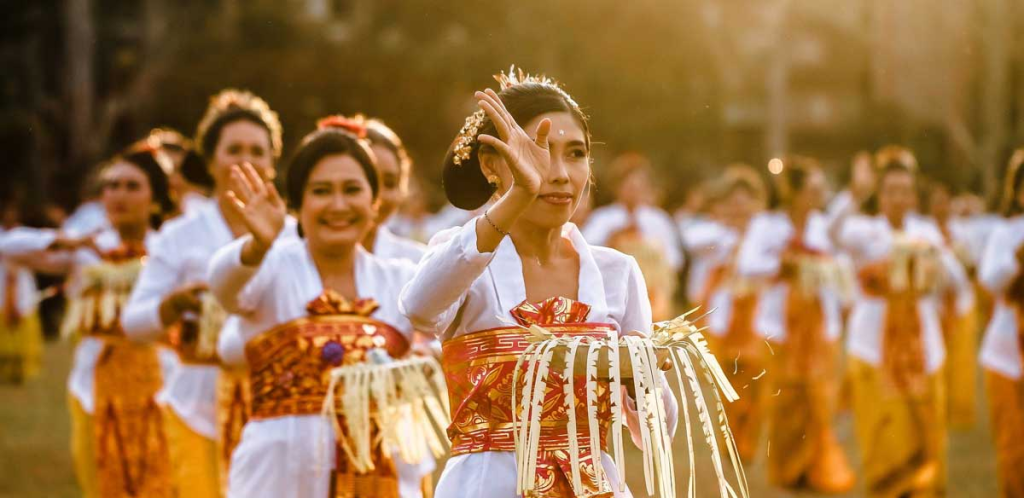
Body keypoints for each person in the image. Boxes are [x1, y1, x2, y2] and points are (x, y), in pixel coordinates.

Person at [400, 68, 678, 498]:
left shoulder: (616, 272)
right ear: (492, 165)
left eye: (576, 154)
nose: (560, 173)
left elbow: (653, 431)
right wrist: (517, 198)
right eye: (539, 152)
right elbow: (418, 308)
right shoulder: (464, 256)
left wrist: (641, 376)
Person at [208, 119, 432, 498]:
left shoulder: (401, 278)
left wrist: (423, 366)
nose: (338, 205)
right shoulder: (272, 267)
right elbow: (224, 288)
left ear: (374, 202)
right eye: (322, 191)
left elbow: (450, 329)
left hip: (381, 473)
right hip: (279, 475)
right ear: (298, 204)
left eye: (352, 190)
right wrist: (255, 246)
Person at [121, 89, 291, 498]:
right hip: (193, 406)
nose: (246, 159)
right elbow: (134, 323)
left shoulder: (296, 235)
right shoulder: (180, 236)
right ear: (210, 161)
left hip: (279, 407)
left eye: (258, 150)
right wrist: (172, 305)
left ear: (273, 162)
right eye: (234, 149)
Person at [1, 145, 178, 498]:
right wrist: (62, 241)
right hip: (93, 389)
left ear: (155, 198)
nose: (118, 195)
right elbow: (6, 247)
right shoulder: (86, 248)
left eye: (132, 186)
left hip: (163, 389)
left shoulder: (170, 250)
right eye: (111, 186)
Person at [834, 146, 965, 498]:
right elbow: (834, 232)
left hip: (923, 346)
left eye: (905, 190)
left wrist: (933, 255)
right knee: (883, 437)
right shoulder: (864, 230)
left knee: (925, 435)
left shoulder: (927, 231)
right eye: (890, 190)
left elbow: (957, 280)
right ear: (880, 193)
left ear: (914, 194)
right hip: (872, 346)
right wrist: (853, 193)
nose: (898, 198)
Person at [736, 156, 854, 492]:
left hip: (820, 326)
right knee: (785, 399)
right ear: (795, 193)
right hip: (778, 326)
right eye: (814, 188)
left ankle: (817, 467)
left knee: (819, 398)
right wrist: (783, 264)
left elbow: (840, 263)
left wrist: (821, 267)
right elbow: (747, 266)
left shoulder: (822, 225)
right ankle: (787, 469)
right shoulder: (766, 226)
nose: (820, 194)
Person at [700, 165, 768, 462]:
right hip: (724, 320)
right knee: (727, 381)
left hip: (757, 317)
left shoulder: (766, 235)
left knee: (756, 383)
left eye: (746, 199)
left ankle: (748, 440)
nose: (740, 206)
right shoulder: (715, 235)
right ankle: (730, 441)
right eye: (734, 200)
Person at [582, 152, 683, 320]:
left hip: (653, 295)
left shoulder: (659, 220)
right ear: (617, 187)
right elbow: (585, 253)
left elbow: (675, 260)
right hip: (612, 293)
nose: (634, 188)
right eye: (628, 184)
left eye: (640, 184)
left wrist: (653, 261)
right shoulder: (602, 219)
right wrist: (612, 240)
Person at [978, 148, 1024, 498]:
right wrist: (1018, 258)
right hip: (1007, 354)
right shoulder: (1005, 232)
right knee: (1014, 445)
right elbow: (990, 280)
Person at [924, 179, 978, 429]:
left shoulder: (962, 232)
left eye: (944, 202)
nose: (941, 207)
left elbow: (972, 269)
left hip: (960, 303)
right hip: (935, 305)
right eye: (936, 202)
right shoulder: (923, 232)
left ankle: (958, 412)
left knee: (960, 360)